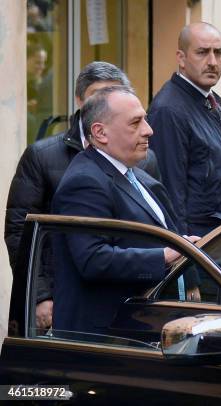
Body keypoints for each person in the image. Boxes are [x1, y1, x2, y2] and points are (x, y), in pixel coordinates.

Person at [5, 61, 160, 331]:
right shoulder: (43, 156)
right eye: (98, 95)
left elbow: (158, 224)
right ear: (80, 101)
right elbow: (20, 231)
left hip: (129, 305)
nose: (105, 100)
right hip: (66, 300)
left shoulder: (143, 159)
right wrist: (42, 295)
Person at [51, 86, 191, 335]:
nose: (149, 130)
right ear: (100, 132)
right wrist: (164, 257)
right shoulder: (85, 181)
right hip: (105, 339)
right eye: (135, 123)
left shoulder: (137, 175)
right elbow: (93, 259)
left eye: (145, 119)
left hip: (145, 327)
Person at [147, 22, 221, 238]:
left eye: (218, 52)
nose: (212, 62)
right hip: (199, 251)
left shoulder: (210, 103)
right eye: (202, 53)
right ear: (181, 58)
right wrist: (183, 254)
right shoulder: (169, 110)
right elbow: (169, 192)